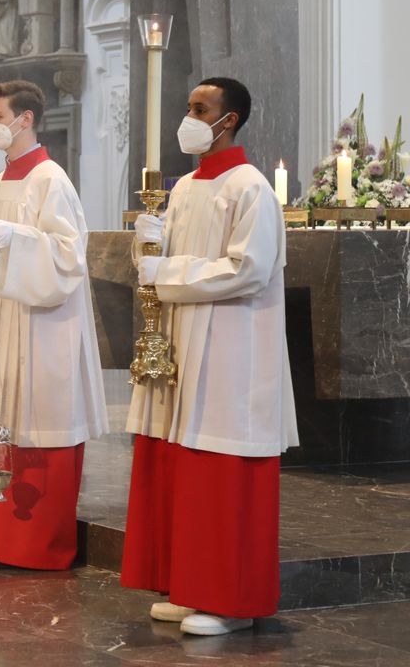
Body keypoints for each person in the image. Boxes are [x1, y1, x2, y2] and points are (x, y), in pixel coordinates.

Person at [120, 77, 297, 636]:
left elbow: (251, 269)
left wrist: (166, 271)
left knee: (222, 473)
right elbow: (159, 263)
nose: (189, 117)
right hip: (186, 342)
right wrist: (146, 242)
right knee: (185, 467)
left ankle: (231, 600)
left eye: (201, 108)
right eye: (189, 107)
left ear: (231, 120)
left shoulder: (250, 188)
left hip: (232, 349)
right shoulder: (188, 186)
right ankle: (190, 585)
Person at [0, 80, 108, 567]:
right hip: (5, 320)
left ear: (25, 120)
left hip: (43, 326)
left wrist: (16, 238)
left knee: (39, 420)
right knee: (1, 414)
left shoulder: (51, 179)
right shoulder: (1, 180)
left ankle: (35, 545)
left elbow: (69, 257)